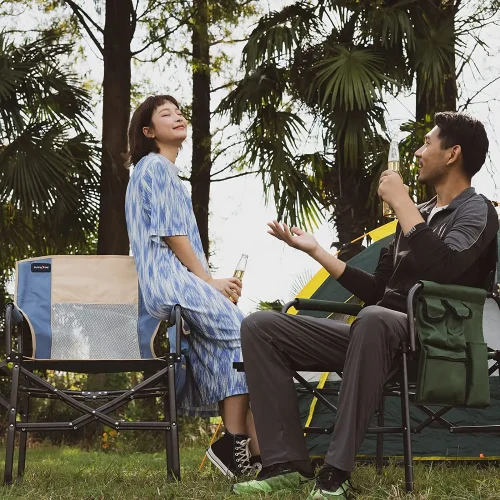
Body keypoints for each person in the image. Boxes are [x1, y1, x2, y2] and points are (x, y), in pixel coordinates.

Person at [233, 112, 498, 498]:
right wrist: (317, 251)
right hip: (376, 335)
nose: (418, 152)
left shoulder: (477, 211)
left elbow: (446, 267)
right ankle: (287, 464)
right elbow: (377, 290)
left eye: (427, 143)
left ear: (453, 153)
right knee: (261, 327)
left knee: (373, 320)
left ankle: (335, 473)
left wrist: (403, 202)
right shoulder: (416, 214)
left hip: (435, 343)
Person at [125, 95, 260, 478]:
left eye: (179, 111)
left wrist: (210, 284)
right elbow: (172, 235)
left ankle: (248, 450)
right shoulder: (156, 167)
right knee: (246, 334)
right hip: (171, 283)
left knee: (228, 351)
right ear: (149, 131)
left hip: (170, 283)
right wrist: (208, 282)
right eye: (165, 114)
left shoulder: (155, 172)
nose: (178, 116)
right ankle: (237, 443)